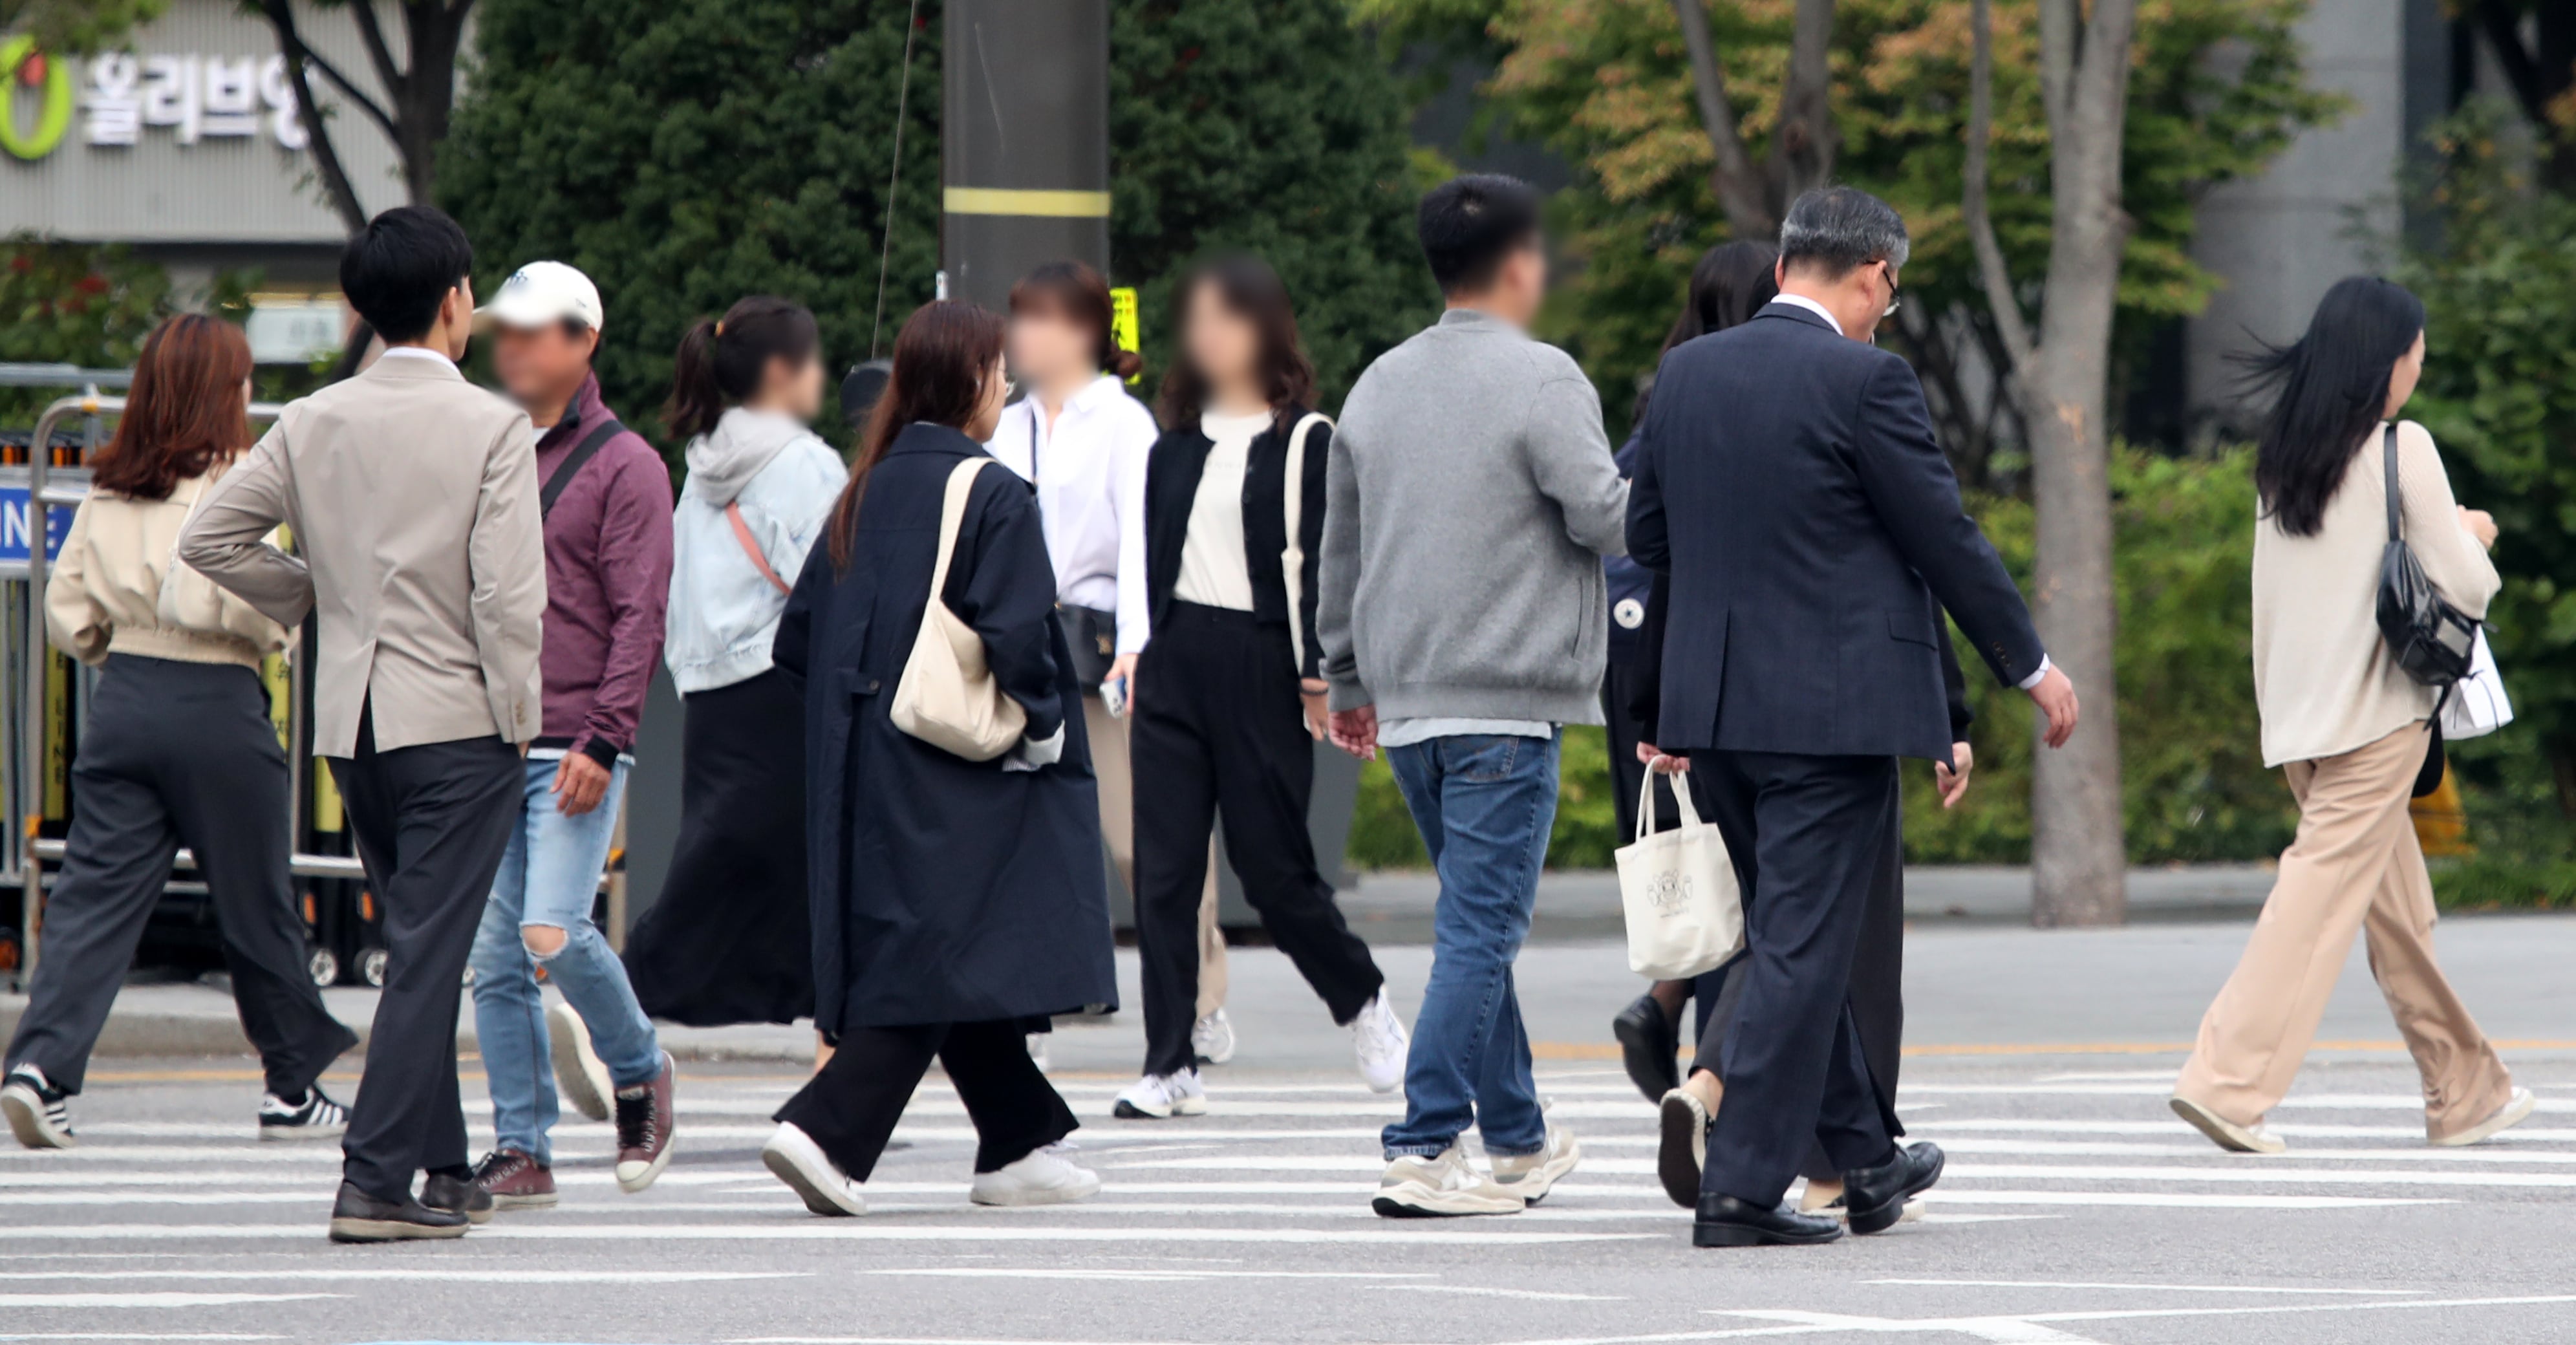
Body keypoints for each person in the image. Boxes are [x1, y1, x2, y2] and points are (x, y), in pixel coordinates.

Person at [1627, 186, 2078, 1248]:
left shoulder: (1684, 374)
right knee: (1797, 945)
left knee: (1796, 938)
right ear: (1873, 274)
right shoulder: (1864, 380)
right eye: (1891, 287)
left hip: (1714, 710)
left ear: (1786, 263)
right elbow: (1944, 539)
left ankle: (1866, 1160)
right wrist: (2029, 665)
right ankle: (1738, 1189)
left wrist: (1683, 673)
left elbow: (1647, 537)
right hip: (1828, 715)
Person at [180, 204, 545, 1243]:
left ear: (362, 308)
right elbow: (509, 600)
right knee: (431, 955)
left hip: (354, 725)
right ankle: (374, 1180)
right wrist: (520, 720)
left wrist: (314, 601)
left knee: (416, 937)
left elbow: (212, 538)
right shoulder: (492, 426)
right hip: (461, 719)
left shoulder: (312, 419)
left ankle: (442, 1165)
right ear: (454, 302)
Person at [757, 299, 1116, 1217]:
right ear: (970, 383)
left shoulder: (862, 487)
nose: (1005, 390)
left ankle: (1018, 1140)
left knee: (952, 938)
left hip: (856, 756)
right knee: (946, 943)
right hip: (954, 762)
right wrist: (1043, 731)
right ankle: (829, 1128)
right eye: (998, 374)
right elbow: (1023, 642)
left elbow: (796, 641)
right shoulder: (991, 490)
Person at [2169, 276, 2530, 1155]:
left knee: (2396, 914)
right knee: (2317, 899)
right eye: (2415, 349)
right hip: (2376, 718)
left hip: (2300, 719)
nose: (2420, 364)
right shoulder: (2405, 450)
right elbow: (2467, 584)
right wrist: (2472, 533)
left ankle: (2466, 1091)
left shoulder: (2285, 454)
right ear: (2386, 360)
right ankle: (2228, 1084)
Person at [1319, 174, 1619, 1217]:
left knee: (1471, 929)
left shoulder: (1376, 384)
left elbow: (1339, 548)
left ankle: (1519, 1139)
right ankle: (1420, 1143)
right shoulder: (1540, 378)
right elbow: (1605, 517)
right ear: (1520, 262)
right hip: (1503, 698)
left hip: (1405, 697)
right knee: (1480, 933)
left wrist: (1344, 677)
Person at [0, 316, 359, 1152]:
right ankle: (291, 1084)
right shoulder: (247, 479)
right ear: (223, 393)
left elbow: (69, 611)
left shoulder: (112, 481)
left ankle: (40, 1070)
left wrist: (118, 652)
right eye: (239, 382)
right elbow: (272, 607)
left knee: (93, 899)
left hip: (124, 693)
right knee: (256, 899)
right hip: (218, 698)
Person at [1115, 255, 1407, 1121]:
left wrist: (1323, 678)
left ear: (1265, 329)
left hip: (1262, 663)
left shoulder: (1307, 439)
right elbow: (1151, 564)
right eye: (1197, 320)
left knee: (1274, 873)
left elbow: (1323, 561)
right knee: (1162, 874)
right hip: (1173, 664)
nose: (1207, 335)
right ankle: (1170, 1061)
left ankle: (1363, 1003)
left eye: (1225, 319)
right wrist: (1140, 650)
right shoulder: (1172, 448)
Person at [461, 261, 678, 1212]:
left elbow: (641, 614)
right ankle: (523, 1146)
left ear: (585, 340)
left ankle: (639, 1069)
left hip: (575, 740)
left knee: (552, 931)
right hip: (488, 737)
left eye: (535, 329)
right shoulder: (488, 446)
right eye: (504, 328)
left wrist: (605, 736)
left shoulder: (629, 464)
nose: (512, 344)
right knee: (493, 959)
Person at [985, 262, 1227, 1067]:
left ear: (1085, 333)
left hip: (1102, 646)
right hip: (1016, 645)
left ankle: (1199, 995)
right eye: (1019, 320)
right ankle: (1030, 1013)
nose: (1023, 337)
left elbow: (1142, 546)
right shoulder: (1006, 424)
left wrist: (1135, 647)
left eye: (1041, 321)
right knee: (1025, 837)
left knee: (1140, 837)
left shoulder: (1125, 426)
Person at [623, 297, 841, 1046]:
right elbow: (834, 583)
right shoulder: (805, 462)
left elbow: (681, 588)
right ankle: (615, 997)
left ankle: (832, 1078)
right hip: (787, 691)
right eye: (814, 361)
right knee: (811, 877)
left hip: (713, 697)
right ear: (782, 372)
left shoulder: (703, 464)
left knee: (728, 861)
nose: (824, 375)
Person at [1605, 241, 1778, 1103]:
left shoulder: (1663, 397)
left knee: (1705, 864)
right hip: (1706, 670)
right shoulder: (1745, 401)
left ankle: (1666, 1004)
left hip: (1641, 671)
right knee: (1759, 884)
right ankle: (1714, 1092)